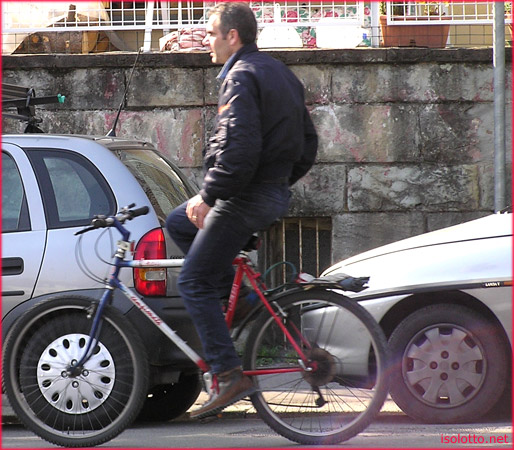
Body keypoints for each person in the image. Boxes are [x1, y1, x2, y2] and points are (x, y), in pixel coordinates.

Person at [166, 1, 318, 420]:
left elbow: (239, 150)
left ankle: (228, 373)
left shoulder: (240, 76)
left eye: (212, 34)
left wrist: (209, 195)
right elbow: (308, 145)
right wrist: (278, 182)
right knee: (178, 222)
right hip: (269, 192)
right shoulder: (280, 73)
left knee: (193, 281)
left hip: (243, 196)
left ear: (233, 36)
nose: (208, 43)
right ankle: (246, 300)